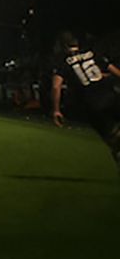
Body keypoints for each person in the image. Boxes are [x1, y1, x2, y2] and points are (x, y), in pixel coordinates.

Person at [50, 31, 120, 176]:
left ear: (62, 46)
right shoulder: (91, 53)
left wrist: (56, 109)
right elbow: (113, 70)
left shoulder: (63, 61)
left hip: (93, 104)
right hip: (111, 95)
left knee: (112, 139)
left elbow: (56, 86)